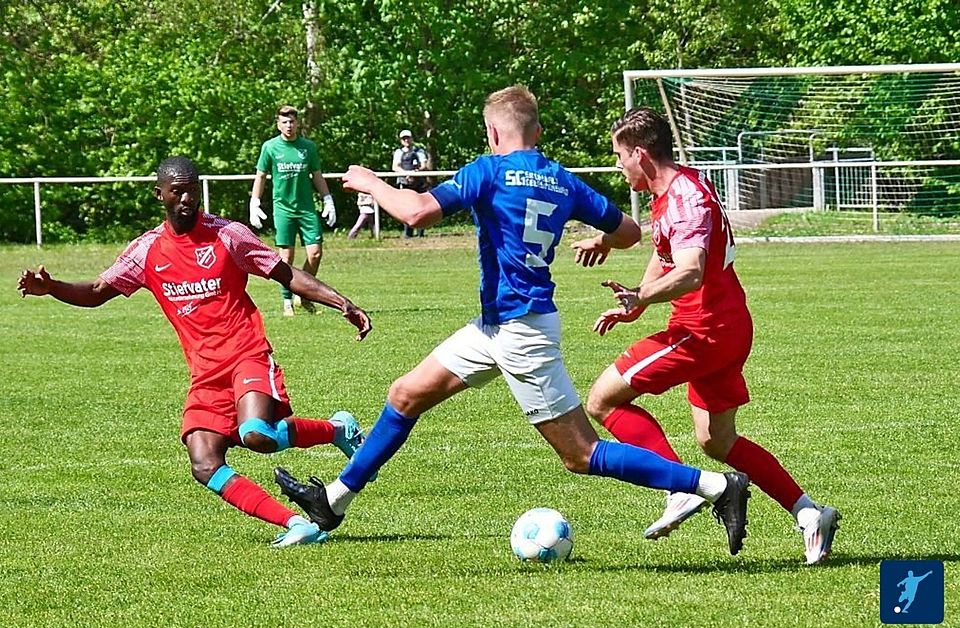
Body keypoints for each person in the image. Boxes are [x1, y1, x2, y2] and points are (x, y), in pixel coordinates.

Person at [274, 86, 752, 556]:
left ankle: (712, 485)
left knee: (580, 454)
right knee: (406, 394)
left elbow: (417, 213)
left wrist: (373, 183)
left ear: (491, 132)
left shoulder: (489, 170)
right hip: (494, 327)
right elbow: (629, 231)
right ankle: (333, 503)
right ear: (538, 132)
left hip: (523, 332)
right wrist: (604, 241)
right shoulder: (561, 179)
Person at [18, 156, 373, 548]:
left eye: (192, 188)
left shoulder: (229, 236)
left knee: (256, 435)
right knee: (204, 462)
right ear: (161, 195)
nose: (188, 197)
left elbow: (285, 273)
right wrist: (53, 288)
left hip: (246, 355)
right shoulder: (147, 251)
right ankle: (296, 524)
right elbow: (98, 292)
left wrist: (343, 302)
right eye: (178, 190)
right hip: (206, 373)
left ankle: (338, 429)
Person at [577, 107, 840, 565]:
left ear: (641, 153)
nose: (618, 166)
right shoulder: (674, 190)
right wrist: (638, 301)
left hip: (702, 331)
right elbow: (666, 253)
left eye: (620, 156)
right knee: (717, 441)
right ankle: (809, 512)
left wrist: (642, 294)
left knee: (601, 401)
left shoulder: (683, 198)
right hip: (726, 328)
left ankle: (681, 488)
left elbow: (691, 271)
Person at [249, 105, 337, 316]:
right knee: (285, 258)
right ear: (278, 124)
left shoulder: (308, 147)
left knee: (315, 254)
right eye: (284, 121)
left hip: (306, 209)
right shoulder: (270, 147)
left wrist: (328, 199)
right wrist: (255, 202)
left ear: (298, 123)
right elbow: (261, 176)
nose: (289, 125)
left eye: (292, 121)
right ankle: (287, 301)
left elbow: (316, 174)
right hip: (283, 210)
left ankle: (304, 294)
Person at [392, 128, 430, 238]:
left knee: (422, 207)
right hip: (405, 183)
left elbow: (424, 165)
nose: (406, 140)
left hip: (419, 182)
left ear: (412, 138)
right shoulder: (398, 152)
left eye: (408, 138)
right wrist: (406, 174)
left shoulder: (419, 151)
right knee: (406, 208)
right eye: (404, 138)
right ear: (401, 140)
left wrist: (415, 173)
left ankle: (420, 232)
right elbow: (395, 167)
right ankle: (407, 232)